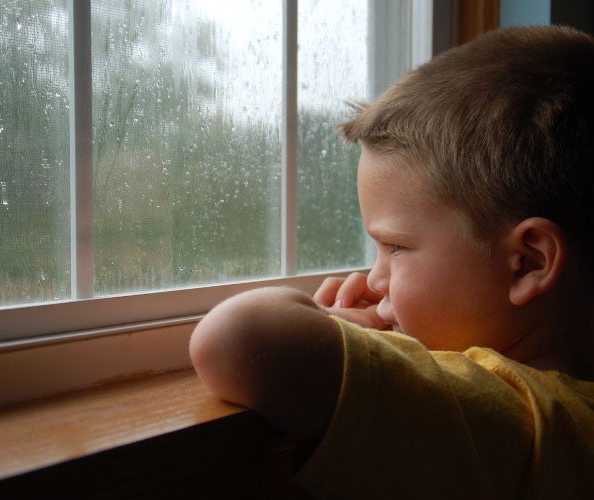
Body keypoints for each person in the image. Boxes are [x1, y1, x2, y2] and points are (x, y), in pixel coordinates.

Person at [189, 25, 594, 499]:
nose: (375, 280)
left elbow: (234, 340)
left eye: (396, 248)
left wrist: (325, 325)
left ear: (527, 263)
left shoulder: (521, 420)